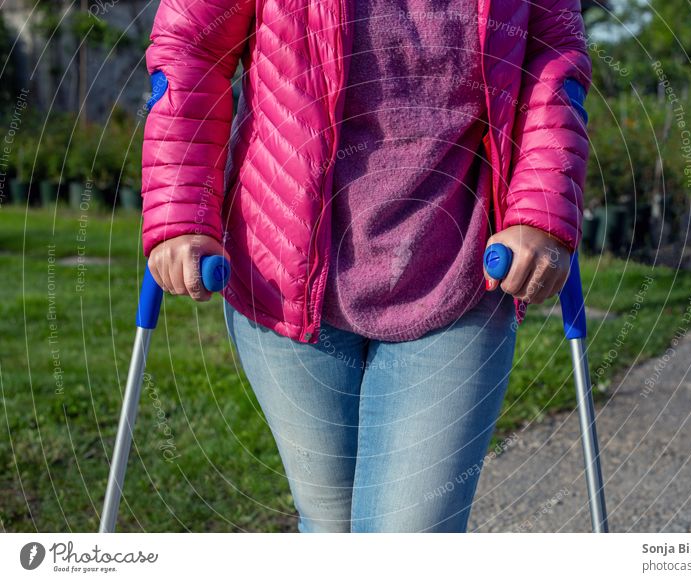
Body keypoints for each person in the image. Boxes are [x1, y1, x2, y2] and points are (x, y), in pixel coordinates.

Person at [140, 0, 591, 532]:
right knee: (328, 526)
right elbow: (191, 53)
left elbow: (554, 65)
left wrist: (539, 214)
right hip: (282, 272)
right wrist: (181, 213)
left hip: (460, 278)